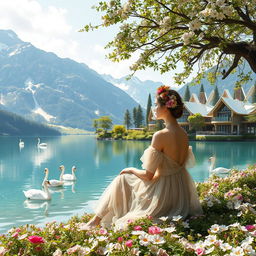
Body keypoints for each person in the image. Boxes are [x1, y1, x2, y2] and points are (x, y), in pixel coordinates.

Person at [84, 85, 203, 229]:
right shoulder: (184, 134)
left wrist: (131, 169)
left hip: (164, 193)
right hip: (180, 191)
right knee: (127, 180)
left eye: (156, 105)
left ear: (166, 107)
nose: (154, 109)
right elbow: (181, 165)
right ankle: (96, 221)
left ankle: (95, 221)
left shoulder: (160, 135)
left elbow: (148, 176)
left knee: (122, 178)